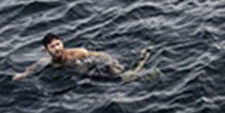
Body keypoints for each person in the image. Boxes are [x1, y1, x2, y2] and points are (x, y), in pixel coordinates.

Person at [13, 33, 149, 80]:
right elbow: (33, 67)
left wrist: (113, 65)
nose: (57, 49)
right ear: (46, 50)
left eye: (58, 44)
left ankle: (142, 60)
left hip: (94, 68)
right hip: (82, 75)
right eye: (52, 47)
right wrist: (22, 75)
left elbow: (101, 55)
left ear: (62, 43)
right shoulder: (47, 61)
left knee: (124, 78)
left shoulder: (76, 53)